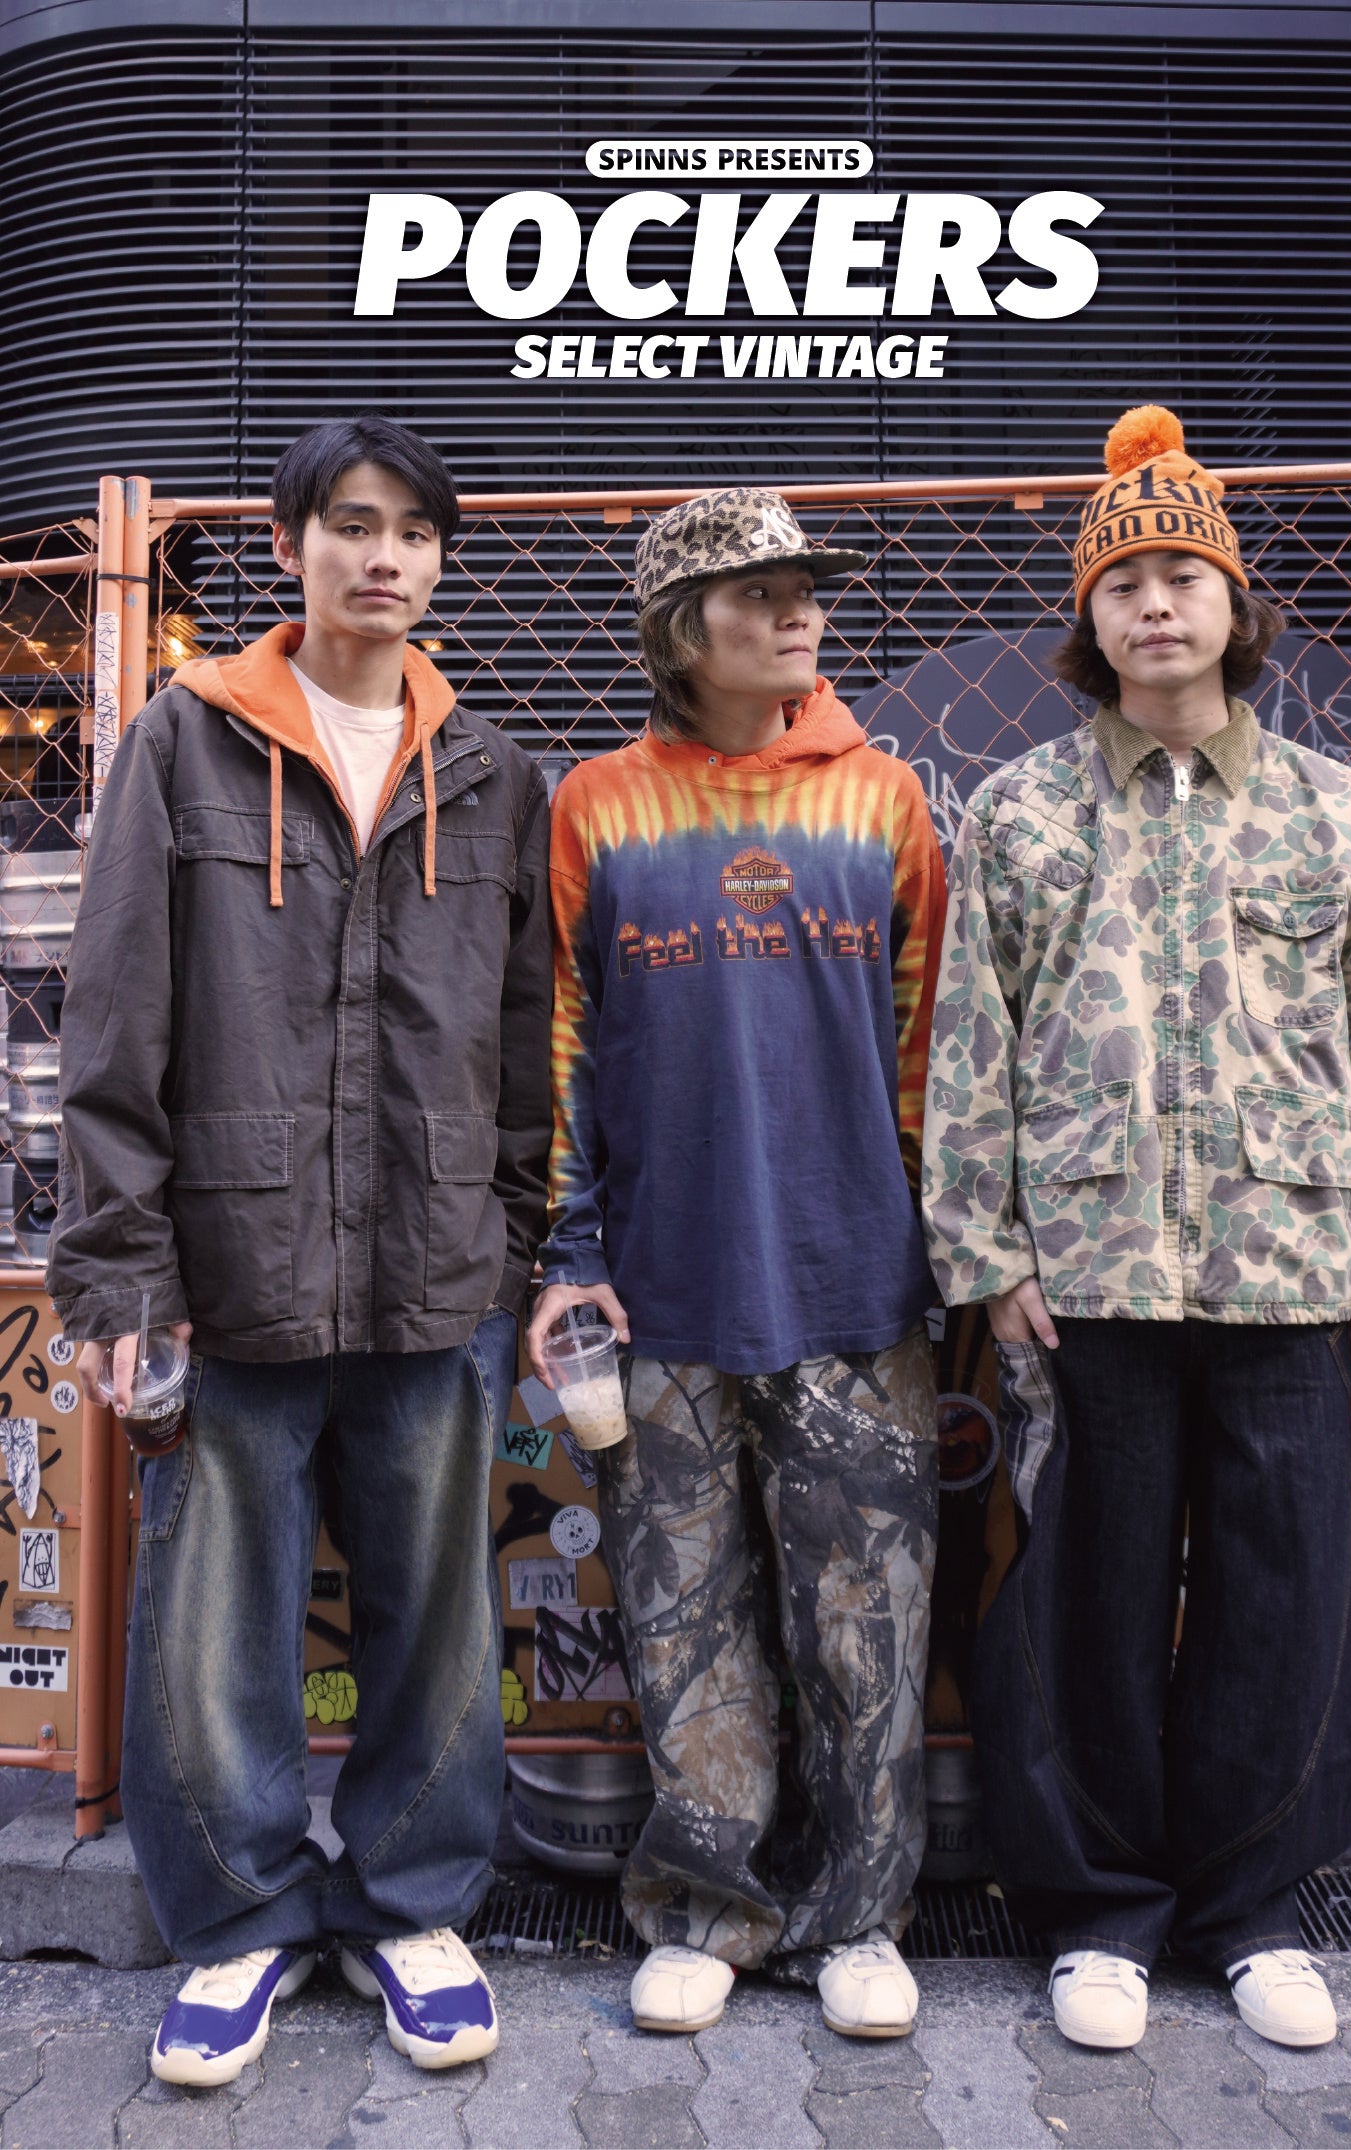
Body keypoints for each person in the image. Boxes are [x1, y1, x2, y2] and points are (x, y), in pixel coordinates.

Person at [922, 405, 1351, 2052]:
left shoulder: (1339, 814)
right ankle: (1099, 1909)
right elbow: (972, 1043)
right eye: (1123, 582)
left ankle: (1251, 1907)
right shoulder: (1021, 812)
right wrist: (990, 1252)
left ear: (1236, 605)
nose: (1155, 604)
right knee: (1088, 1590)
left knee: (1280, 1596)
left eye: (1183, 576)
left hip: (1288, 1273)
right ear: (1087, 621)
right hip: (1090, 1276)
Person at [49, 414, 552, 2086]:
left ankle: (413, 1902)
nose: (383, 555)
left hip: (436, 1265)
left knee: (440, 1616)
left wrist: (512, 1245)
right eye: (351, 521)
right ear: (290, 546)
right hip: (232, 1266)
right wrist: (121, 1277)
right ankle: (241, 1919)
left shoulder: (490, 770)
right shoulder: (186, 742)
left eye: (413, 529)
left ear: (440, 559)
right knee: (215, 1619)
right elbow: (114, 1023)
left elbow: (522, 1035)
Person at [527, 486, 945, 2039]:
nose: (798, 614)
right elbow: (562, 1053)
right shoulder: (597, 807)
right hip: (658, 1286)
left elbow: (933, 1054)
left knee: (865, 1615)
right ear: (678, 628)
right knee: (680, 1608)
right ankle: (707, 1906)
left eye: (805, 589)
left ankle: (860, 1915)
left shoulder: (884, 801)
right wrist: (571, 1250)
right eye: (758, 593)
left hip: (856, 1286)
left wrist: (937, 1244)